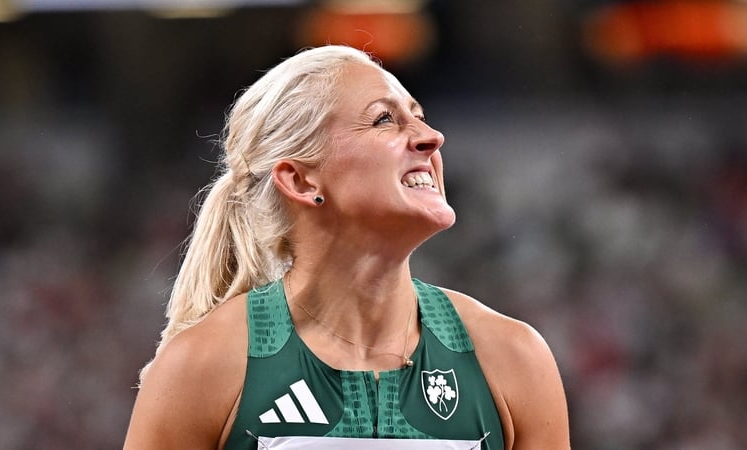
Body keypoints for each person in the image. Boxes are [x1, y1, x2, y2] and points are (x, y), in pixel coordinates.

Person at [124, 45, 570, 450]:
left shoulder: (511, 357)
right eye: (385, 119)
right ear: (300, 180)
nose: (432, 137)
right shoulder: (205, 366)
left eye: (419, 115)